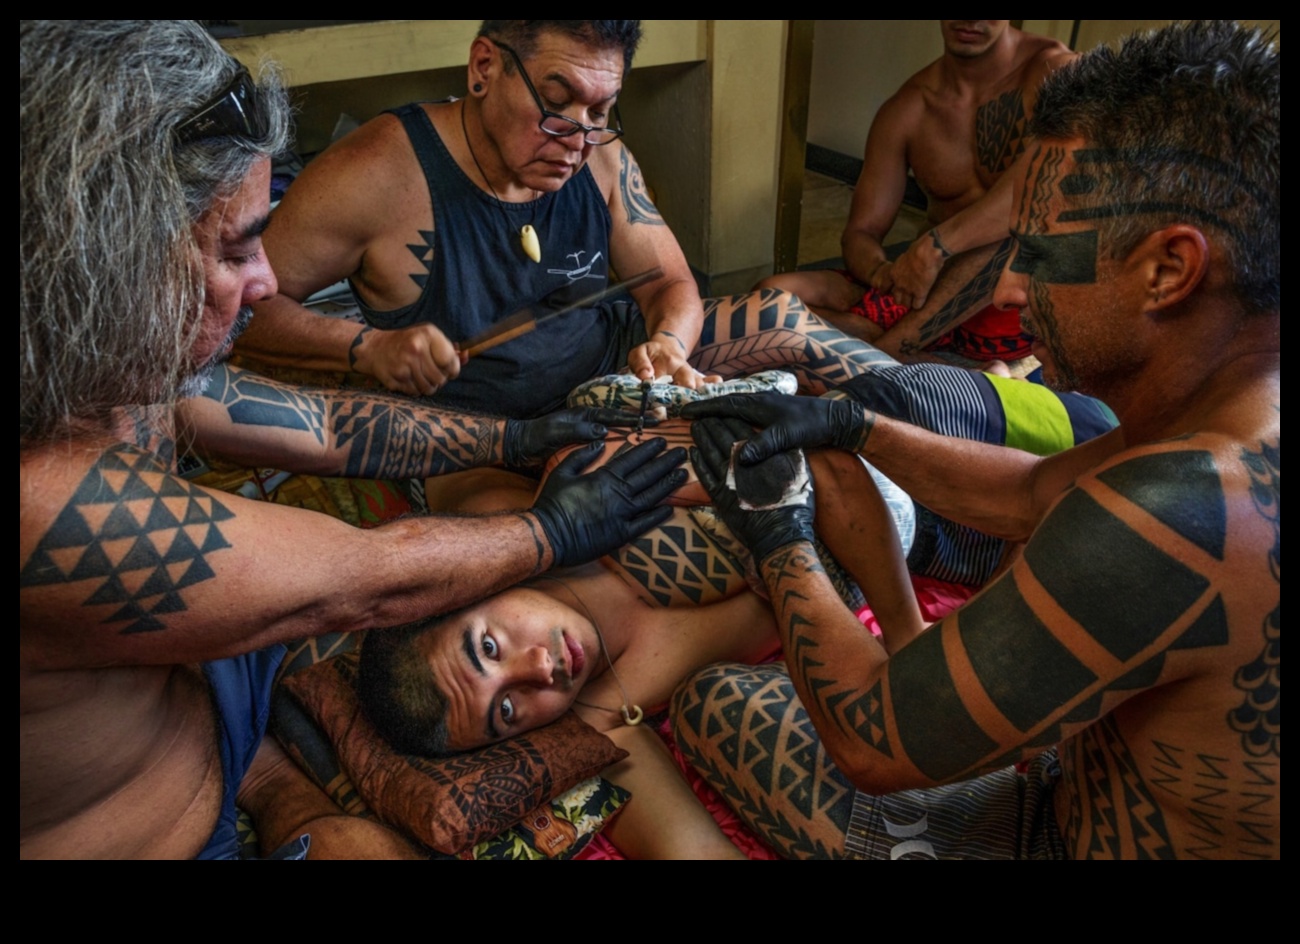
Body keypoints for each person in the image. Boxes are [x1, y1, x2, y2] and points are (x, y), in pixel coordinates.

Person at [20, 19, 687, 860]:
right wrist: (549, 530)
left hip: (202, 699)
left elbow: (330, 424)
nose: (266, 280)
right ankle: (276, 787)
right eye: (234, 251)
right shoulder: (42, 500)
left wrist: (514, 439)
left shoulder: (116, 367)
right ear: (107, 267)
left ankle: (275, 778)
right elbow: (354, 584)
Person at [677, 20, 1280, 859]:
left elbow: (872, 742)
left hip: (1057, 838)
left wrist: (777, 530)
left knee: (714, 703)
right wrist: (857, 425)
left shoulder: (1173, 515)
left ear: (1168, 270)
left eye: (1039, 254)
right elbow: (1031, 492)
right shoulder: (1233, 415)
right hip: (1074, 782)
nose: (1008, 283)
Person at [235, 19, 892, 418]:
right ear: (485, 66)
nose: (579, 136)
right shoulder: (375, 171)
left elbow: (669, 283)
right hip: (484, 424)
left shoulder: (601, 154)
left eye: (601, 109)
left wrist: (668, 345)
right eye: (557, 101)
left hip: (611, 368)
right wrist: (366, 349)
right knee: (570, 522)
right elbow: (239, 312)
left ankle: (971, 424)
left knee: (785, 322)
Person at [358, 443, 923, 859]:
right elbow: (692, 850)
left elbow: (811, 459)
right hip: (901, 545)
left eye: (489, 645)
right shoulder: (606, 716)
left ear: (478, 586)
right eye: (506, 711)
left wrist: (904, 637)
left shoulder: (573, 495)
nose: (540, 669)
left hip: (871, 459)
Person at [761, 20, 1073, 374]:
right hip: (923, 296)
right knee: (770, 295)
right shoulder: (909, 107)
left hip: (1010, 305)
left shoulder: (1055, 71)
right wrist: (885, 274)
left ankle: (883, 352)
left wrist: (935, 247)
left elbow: (1043, 187)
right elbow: (861, 233)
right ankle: (938, 366)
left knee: (1012, 236)